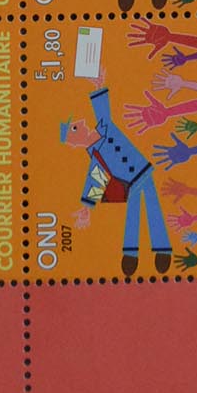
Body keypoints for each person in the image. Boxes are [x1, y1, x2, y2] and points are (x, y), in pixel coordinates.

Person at [60, 86, 173, 275]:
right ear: (73, 142)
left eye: (77, 123)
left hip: (143, 171)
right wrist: (87, 207)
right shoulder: (95, 157)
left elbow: (102, 107)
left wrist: (98, 85)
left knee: (153, 209)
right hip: (131, 183)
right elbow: (95, 181)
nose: (81, 122)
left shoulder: (105, 126)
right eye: (74, 128)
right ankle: (131, 253)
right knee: (133, 215)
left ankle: (162, 249)